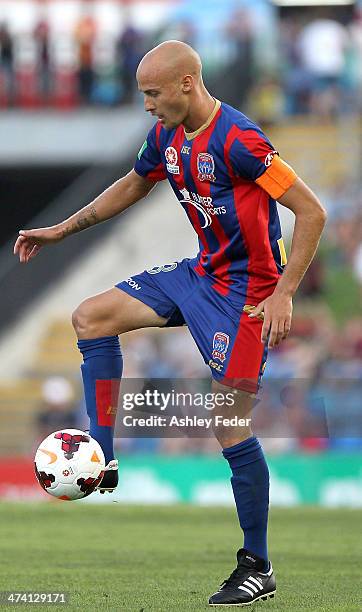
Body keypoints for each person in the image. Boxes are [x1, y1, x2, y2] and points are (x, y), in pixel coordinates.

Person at [14, 40, 327, 606]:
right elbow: (135, 183)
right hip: (199, 274)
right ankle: (102, 460)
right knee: (91, 316)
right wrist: (61, 230)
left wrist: (285, 293)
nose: (148, 106)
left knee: (227, 424)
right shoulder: (166, 136)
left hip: (248, 295)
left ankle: (257, 565)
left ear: (187, 83)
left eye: (153, 93)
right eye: (143, 96)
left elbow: (311, 210)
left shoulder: (241, 141)